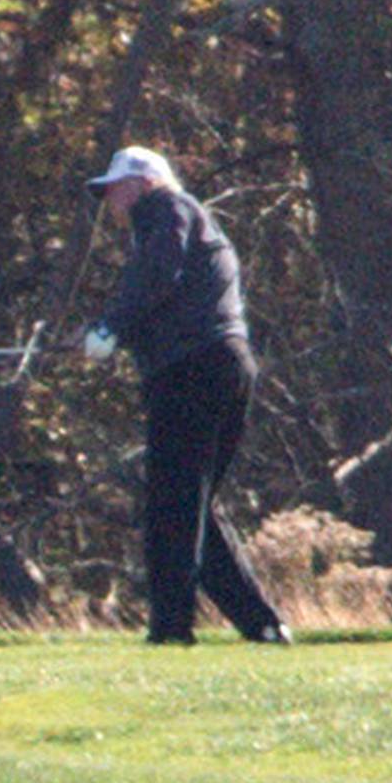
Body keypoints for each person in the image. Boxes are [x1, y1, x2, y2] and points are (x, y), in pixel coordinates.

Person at [81, 146, 291, 646]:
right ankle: (261, 624)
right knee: (191, 504)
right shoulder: (181, 219)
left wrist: (111, 327)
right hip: (221, 366)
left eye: (116, 188)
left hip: (192, 370)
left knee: (172, 506)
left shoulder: (167, 208)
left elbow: (157, 275)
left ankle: (171, 630)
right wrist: (113, 332)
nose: (111, 201)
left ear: (145, 182)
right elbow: (164, 293)